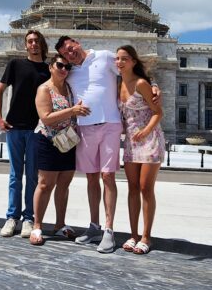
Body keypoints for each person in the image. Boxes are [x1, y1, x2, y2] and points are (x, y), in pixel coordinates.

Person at [55, 36, 159, 253]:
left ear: (76, 41)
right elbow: (52, 81)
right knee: (91, 177)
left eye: (70, 48)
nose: (69, 53)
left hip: (111, 124)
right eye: (65, 53)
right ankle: (94, 226)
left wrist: (154, 85)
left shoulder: (103, 56)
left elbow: (131, 68)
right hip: (84, 127)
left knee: (107, 176)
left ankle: (109, 230)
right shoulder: (70, 71)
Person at [28, 55, 90, 245]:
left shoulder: (70, 88)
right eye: (60, 65)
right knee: (45, 184)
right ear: (51, 67)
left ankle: (60, 224)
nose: (64, 69)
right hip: (48, 140)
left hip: (68, 141)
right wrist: (72, 111)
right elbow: (46, 118)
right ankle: (37, 226)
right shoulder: (44, 89)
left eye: (67, 67)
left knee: (64, 184)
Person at [0, 30, 50, 238]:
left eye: (36, 41)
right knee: (15, 175)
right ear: (26, 45)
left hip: (37, 129)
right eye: (30, 41)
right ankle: (12, 217)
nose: (33, 44)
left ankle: (29, 218)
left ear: (42, 45)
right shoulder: (15, 65)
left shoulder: (48, 70)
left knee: (33, 177)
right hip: (14, 126)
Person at [115, 45, 164, 255]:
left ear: (134, 61)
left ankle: (146, 236)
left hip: (149, 138)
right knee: (132, 188)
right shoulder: (117, 83)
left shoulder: (142, 83)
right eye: (117, 59)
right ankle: (133, 235)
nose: (119, 62)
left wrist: (145, 131)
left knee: (145, 188)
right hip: (131, 142)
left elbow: (158, 112)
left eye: (124, 58)